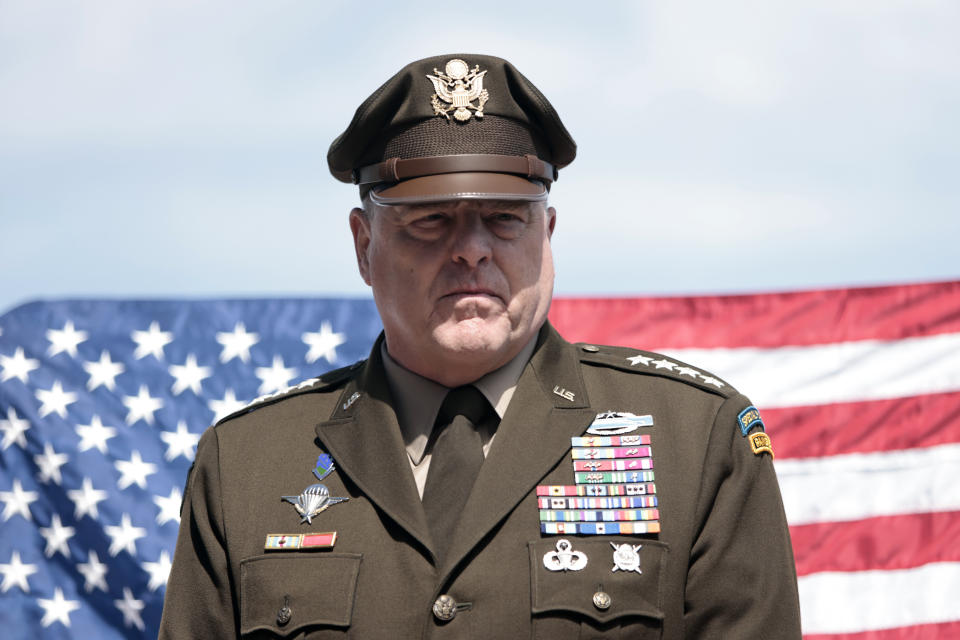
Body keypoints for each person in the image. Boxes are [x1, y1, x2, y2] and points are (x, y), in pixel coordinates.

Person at [160, 54, 801, 639]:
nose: (472, 249)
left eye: (505, 217)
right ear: (364, 246)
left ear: (546, 232)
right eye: (431, 220)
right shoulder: (247, 465)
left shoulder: (695, 440)